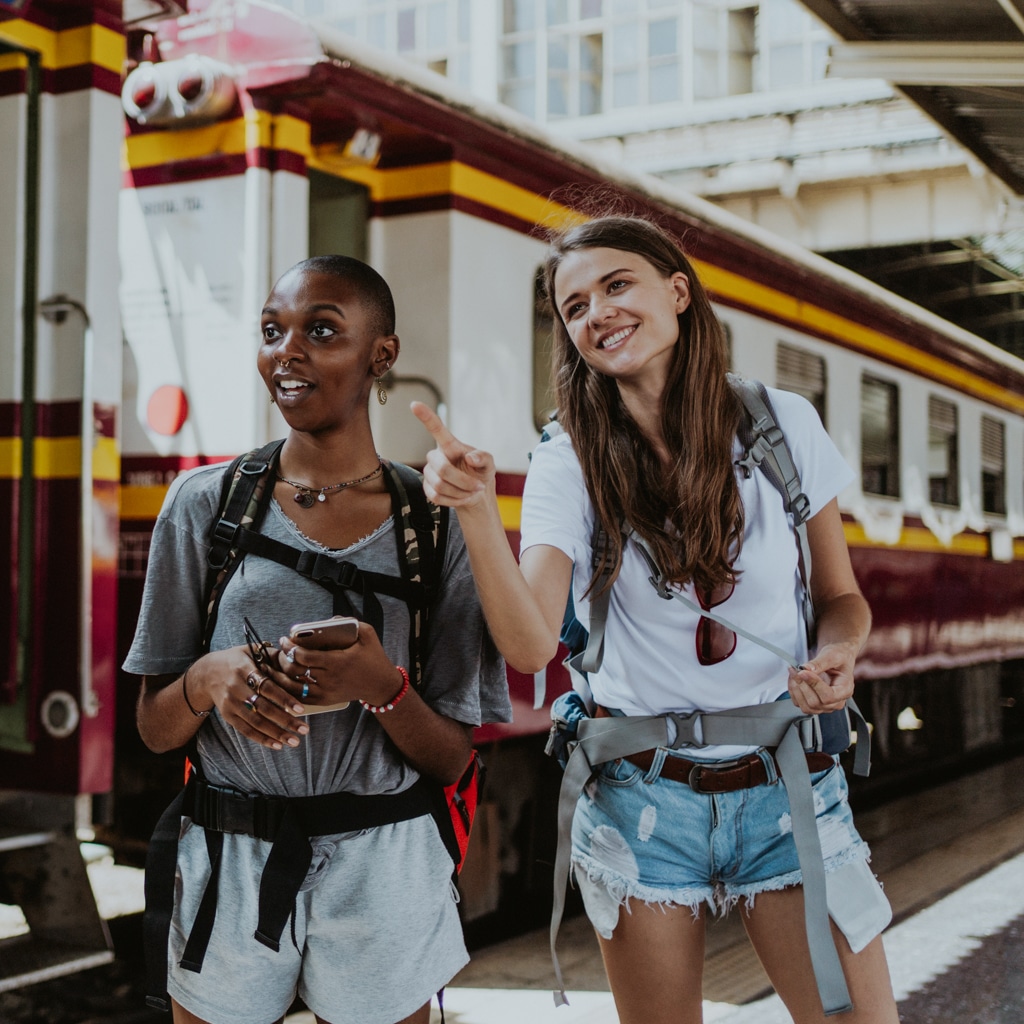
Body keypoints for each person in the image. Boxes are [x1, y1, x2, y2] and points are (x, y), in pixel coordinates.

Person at [412, 215, 899, 1024]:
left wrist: (840, 655)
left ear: (677, 292)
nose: (595, 312)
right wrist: (472, 513)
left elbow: (842, 600)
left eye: (615, 286)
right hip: (643, 803)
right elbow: (532, 643)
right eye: (573, 307)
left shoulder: (783, 426)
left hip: (789, 789)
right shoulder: (567, 458)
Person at [124, 254, 510, 1024]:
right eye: (273, 331)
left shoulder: (436, 526)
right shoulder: (205, 505)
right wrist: (207, 680)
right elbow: (154, 729)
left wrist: (381, 687)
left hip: (386, 865)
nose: (286, 351)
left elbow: (454, 759)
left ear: (382, 354)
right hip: (230, 855)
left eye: (321, 331)